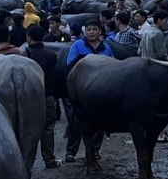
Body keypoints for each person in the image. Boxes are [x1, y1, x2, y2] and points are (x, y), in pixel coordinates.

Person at [65, 19, 114, 163]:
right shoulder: (78, 46)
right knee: (77, 121)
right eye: (89, 30)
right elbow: (70, 65)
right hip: (81, 90)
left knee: (100, 122)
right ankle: (71, 151)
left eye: (94, 29)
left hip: (100, 90)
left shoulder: (106, 48)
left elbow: (113, 66)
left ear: (100, 31)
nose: (91, 32)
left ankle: (94, 150)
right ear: (85, 31)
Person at [24, 25, 61, 169]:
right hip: (47, 96)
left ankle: (27, 160)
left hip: (28, 98)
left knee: (28, 129)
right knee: (47, 129)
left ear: (29, 38)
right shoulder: (52, 55)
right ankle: (49, 159)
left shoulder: (23, 56)